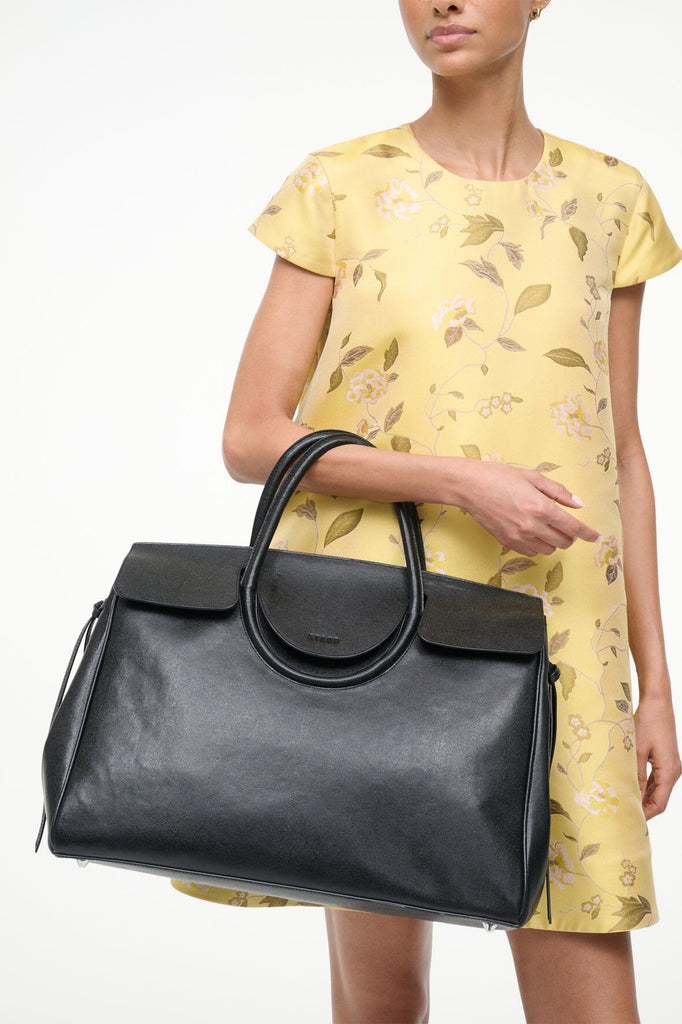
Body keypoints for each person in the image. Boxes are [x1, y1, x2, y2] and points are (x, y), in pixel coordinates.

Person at [170, 2, 682, 1020]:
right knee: (383, 1003)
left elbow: (618, 450)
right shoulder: (340, 185)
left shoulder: (611, 198)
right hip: (371, 627)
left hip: (559, 635)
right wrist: (458, 481)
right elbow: (250, 437)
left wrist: (654, 686)